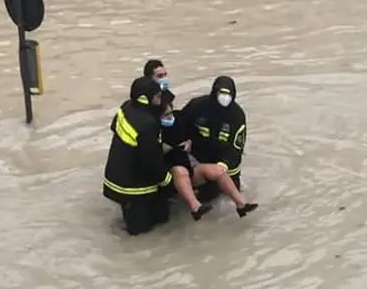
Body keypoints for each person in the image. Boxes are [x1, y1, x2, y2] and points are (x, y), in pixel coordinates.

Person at [103, 76, 174, 236]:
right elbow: (151, 163)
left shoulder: (126, 108)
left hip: (116, 177)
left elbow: (114, 126)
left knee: (160, 216)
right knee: (142, 233)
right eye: (157, 96)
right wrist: (168, 180)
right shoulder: (148, 123)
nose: (159, 99)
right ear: (145, 98)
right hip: (133, 188)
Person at [181, 76, 259, 218]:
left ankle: (240, 204)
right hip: (199, 159)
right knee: (207, 196)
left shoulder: (237, 115)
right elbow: (180, 124)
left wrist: (224, 164)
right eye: (221, 94)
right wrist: (186, 140)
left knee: (228, 193)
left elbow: (236, 147)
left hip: (224, 163)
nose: (224, 98)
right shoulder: (198, 106)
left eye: (228, 95)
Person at [158, 91, 214, 220]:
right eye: (166, 115)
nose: (170, 117)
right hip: (170, 165)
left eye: (171, 113)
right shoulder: (152, 128)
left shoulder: (180, 118)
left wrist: (189, 141)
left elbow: (192, 133)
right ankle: (195, 207)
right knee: (181, 174)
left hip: (186, 159)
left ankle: (241, 204)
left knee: (216, 171)